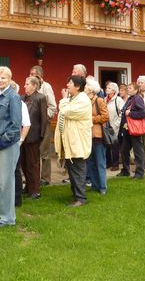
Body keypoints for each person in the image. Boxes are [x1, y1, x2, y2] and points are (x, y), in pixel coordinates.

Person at [0, 66, 23, 226]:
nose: (0, 80)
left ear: (9, 79)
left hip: (6, 145)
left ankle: (8, 218)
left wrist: (4, 140)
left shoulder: (13, 97)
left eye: (3, 78)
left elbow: (16, 125)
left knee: (6, 182)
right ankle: (4, 214)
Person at [55, 75, 92, 207]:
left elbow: (66, 111)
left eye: (70, 83)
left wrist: (64, 99)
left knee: (78, 169)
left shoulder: (83, 100)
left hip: (78, 141)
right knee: (72, 169)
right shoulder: (73, 98)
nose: (67, 85)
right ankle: (76, 194)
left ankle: (81, 198)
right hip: (71, 141)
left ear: (78, 86)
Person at [29, 65, 56, 187]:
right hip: (32, 125)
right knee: (33, 152)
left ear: (39, 75)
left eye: (32, 74)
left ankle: (45, 178)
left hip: (44, 124)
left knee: (44, 153)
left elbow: (53, 106)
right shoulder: (31, 87)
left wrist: (45, 118)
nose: (30, 76)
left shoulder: (46, 87)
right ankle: (34, 177)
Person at [21, 76, 47, 199]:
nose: (25, 86)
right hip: (23, 135)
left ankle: (35, 190)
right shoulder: (23, 98)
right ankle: (28, 186)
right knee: (24, 163)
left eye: (27, 84)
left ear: (35, 86)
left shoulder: (40, 98)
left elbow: (44, 119)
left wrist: (41, 136)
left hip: (34, 136)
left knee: (33, 163)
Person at [85, 78, 108, 194]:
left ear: (91, 89)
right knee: (90, 162)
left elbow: (105, 117)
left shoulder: (99, 100)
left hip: (98, 136)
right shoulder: (85, 101)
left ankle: (103, 187)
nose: (84, 88)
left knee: (100, 162)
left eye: (86, 86)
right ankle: (95, 185)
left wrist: (92, 119)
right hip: (87, 136)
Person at [120, 82, 145, 180]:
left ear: (136, 90)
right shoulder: (131, 98)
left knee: (137, 151)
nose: (128, 89)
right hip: (127, 129)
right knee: (124, 150)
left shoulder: (138, 98)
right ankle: (126, 170)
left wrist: (130, 113)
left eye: (130, 88)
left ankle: (139, 173)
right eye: (128, 88)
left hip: (134, 129)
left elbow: (143, 113)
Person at [105, 82, 124, 171]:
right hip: (106, 126)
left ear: (114, 91)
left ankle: (115, 164)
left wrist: (116, 124)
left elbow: (122, 113)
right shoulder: (105, 99)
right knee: (107, 145)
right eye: (107, 87)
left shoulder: (118, 100)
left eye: (109, 88)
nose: (107, 89)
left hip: (115, 127)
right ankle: (108, 163)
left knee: (114, 146)